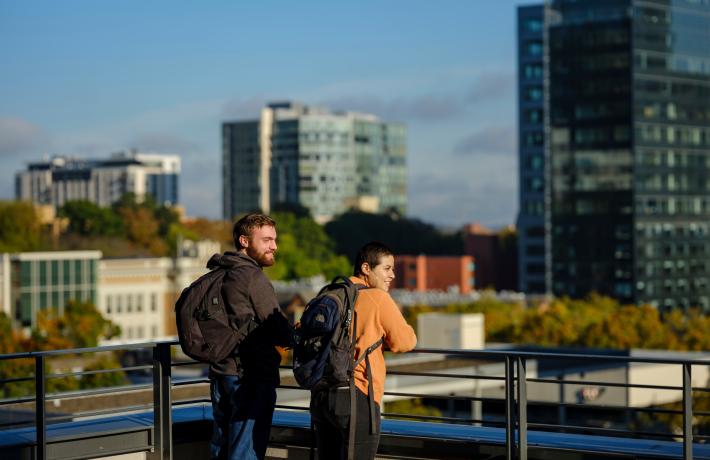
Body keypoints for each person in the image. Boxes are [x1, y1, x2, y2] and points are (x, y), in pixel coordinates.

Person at [310, 241, 417, 460]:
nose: (393, 275)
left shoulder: (331, 293)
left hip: (321, 395)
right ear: (366, 268)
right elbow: (405, 342)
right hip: (356, 396)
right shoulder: (377, 298)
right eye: (386, 268)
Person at [207, 213, 291, 460]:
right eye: (266, 240)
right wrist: (294, 335)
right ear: (244, 241)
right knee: (246, 451)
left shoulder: (220, 270)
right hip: (250, 376)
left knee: (222, 447)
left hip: (222, 372)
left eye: (274, 240)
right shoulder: (252, 276)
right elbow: (278, 329)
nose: (274, 246)